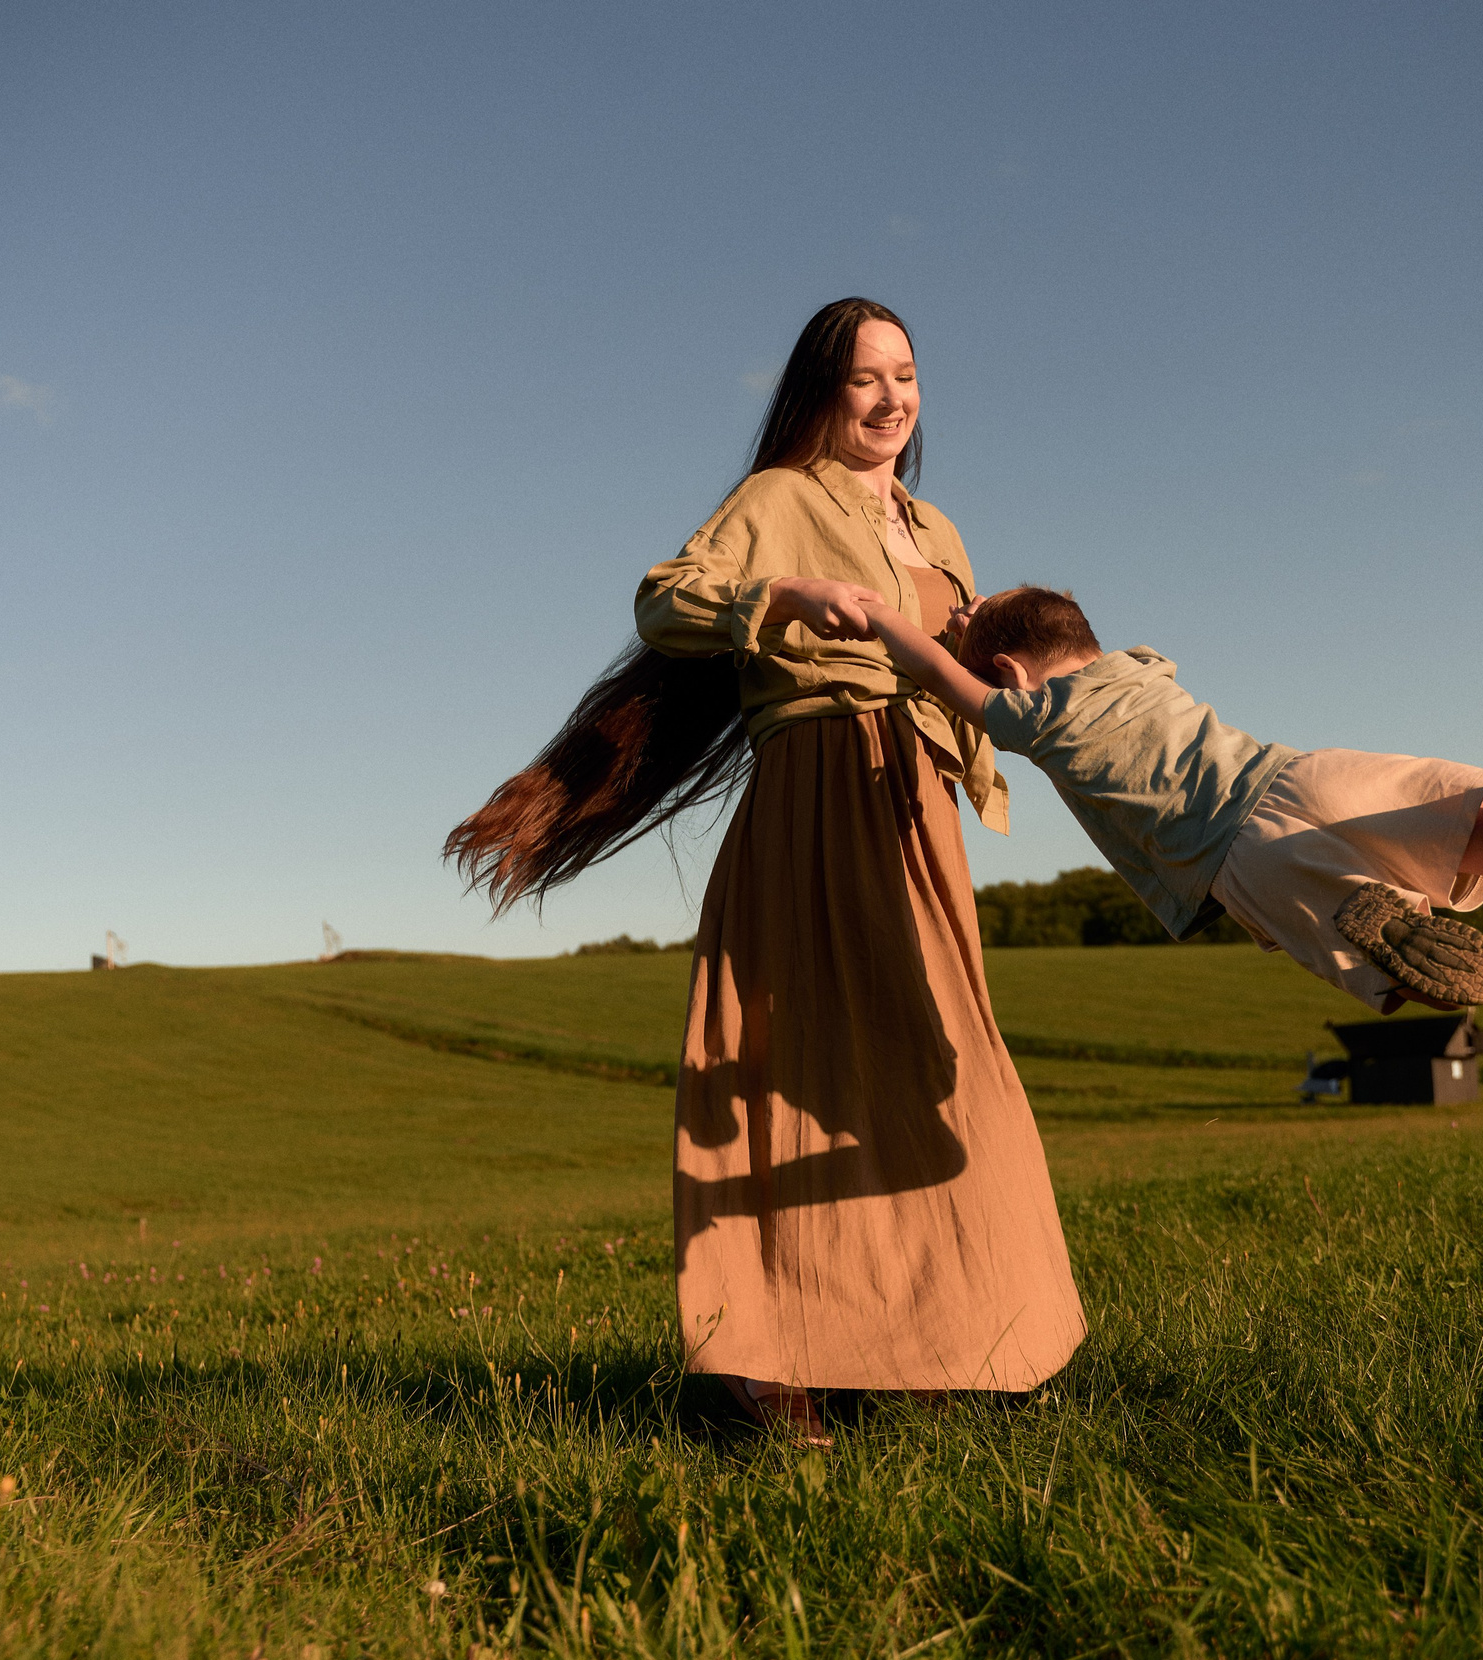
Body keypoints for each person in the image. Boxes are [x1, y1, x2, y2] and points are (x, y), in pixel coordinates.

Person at [444, 300, 1084, 1443]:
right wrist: (782, 596)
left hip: (918, 812)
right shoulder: (779, 497)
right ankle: (762, 1364)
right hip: (819, 788)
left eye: (905, 373)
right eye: (861, 379)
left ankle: (940, 1343)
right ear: (820, 394)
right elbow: (662, 597)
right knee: (804, 1065)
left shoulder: (940, 531)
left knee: (943, 1070)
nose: (890, 398)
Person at [850, 584, 1483, 1013]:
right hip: (1311, 774)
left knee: (1403, 981)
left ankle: (1378, 919)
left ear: (1007, 673)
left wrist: (890, 619)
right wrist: (995, 617)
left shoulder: (1042, 718)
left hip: (1248, 853)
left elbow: (945, 681)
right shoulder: (1141, 667)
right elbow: (1041, 632)